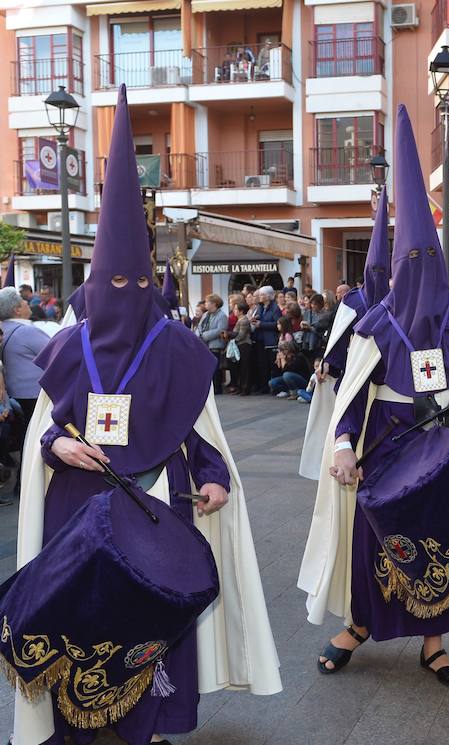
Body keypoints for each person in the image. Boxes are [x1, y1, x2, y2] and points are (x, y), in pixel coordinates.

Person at [9, 84, 281, 745]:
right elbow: (44, 430)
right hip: (77, 503)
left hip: (157, 497)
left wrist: (213, 475)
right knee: (84, 620)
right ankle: (79, 727)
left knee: (154, 627)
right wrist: (56, 449)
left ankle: (150, 728)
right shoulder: (67, 346)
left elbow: (198, 426)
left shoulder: (179, 348)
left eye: (137, 282)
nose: (126, 295)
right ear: (94, 283)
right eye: (115, 283)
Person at [298, 104, 449, 690]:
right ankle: (359, 626)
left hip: (446, 446)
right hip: (387, 443)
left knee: (443, 540)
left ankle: (435, 646)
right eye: (411, 261)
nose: (421, 271)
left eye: (430, 260)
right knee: (376, 540)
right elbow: (351, 394)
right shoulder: (374, 324)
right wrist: (343, 443)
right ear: (395, 267)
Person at [299, 189, 390, 479]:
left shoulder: (399, 301)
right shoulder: (353, 301)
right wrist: (329, 362)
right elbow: (338, 339)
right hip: (355, 372)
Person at [0, 287, 50, 427]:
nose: (27, 303)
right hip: (34, 394)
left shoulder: (4, 328)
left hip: (15, 394)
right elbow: (56, 354)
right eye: (23, 301)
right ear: (17, 310)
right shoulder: (27, 331)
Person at [249, 286, 281, 393]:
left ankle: (275, 387)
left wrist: (261, 324)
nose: (260, 297)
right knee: (262, 365)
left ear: (268, 296)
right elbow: (260, 317)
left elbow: (277, 324)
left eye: (262, 295)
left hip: (270, 340)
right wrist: (255, 319)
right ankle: (264, 386)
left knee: (272, 365)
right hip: (259, 340)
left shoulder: (275, 308)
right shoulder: (260, 307)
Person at [196, 293, 228, 395]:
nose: (205, 304)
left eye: (207, 302)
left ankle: (217, 388)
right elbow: (200, 327)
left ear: (214, 304)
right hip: (205, 346)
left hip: (215, 345)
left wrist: (204, 335)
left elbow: (220, 330)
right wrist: (198, 335)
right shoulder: (206, 315)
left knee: (216, 369)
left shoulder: (222, 316)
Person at [226, 298, 253, 396]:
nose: (234, 311)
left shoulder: (244, 320)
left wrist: (232, 338)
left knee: (244, 367)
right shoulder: (240, 320)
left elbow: (241, 335)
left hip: (244, 345)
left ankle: (245, 388)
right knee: (240, 367)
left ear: (241, 311)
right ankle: (240, 387)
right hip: (240, 345)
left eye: (236, 309)